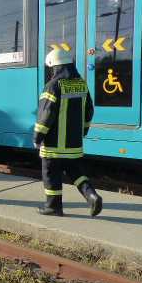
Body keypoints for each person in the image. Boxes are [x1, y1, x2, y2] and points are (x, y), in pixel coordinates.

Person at [33, 48, 103, 217]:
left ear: (54, 66)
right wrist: (84, 130)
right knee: (76, 172)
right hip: (74, 144)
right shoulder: (81, 84)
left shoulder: (52, 86)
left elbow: (46, 115)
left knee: (50, 174)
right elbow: (89, 111)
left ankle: (53, 206)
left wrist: (37, 136)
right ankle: (91, 196)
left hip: (53, 145)